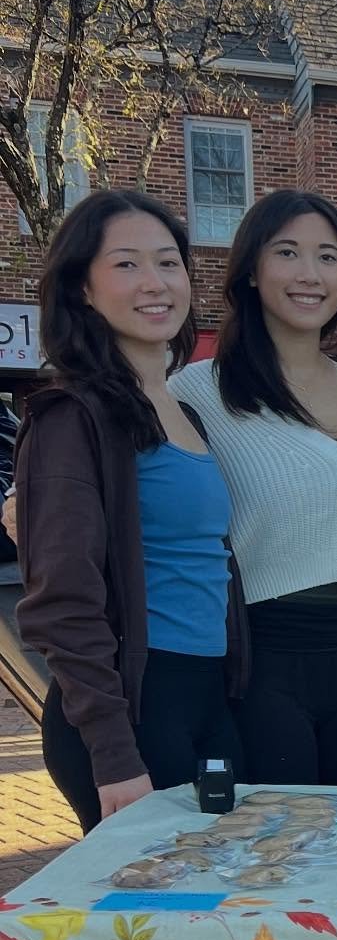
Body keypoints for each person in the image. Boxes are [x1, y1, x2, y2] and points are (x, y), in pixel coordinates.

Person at [15, 190, 246, 831]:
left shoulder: (184, 410)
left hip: (206, 697)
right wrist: (114, 754)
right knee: (160, 920)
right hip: (135, 709)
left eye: (168, 263)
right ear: (83, 289)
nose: (155, 283)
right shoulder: (73, 417)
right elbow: (62, 603)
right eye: (126, 265)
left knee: (226, 910)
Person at [171, 191, 337, 785]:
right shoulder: (197, 390)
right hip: (266, 658)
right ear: (251, 270)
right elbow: (128, 465)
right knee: (281, 845)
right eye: (288, 253)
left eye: (328, 257)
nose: (311, 275)